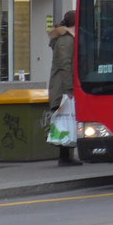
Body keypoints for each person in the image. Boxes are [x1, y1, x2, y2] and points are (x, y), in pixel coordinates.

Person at [49, 10, 80, 166]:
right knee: (64, 120)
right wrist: (69, 88)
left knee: (66, 119)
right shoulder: (66, 41)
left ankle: (67, 156)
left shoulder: (65, 39)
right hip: (62, 87)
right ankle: (64, 157)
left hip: (62, 86)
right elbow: (65, 65)